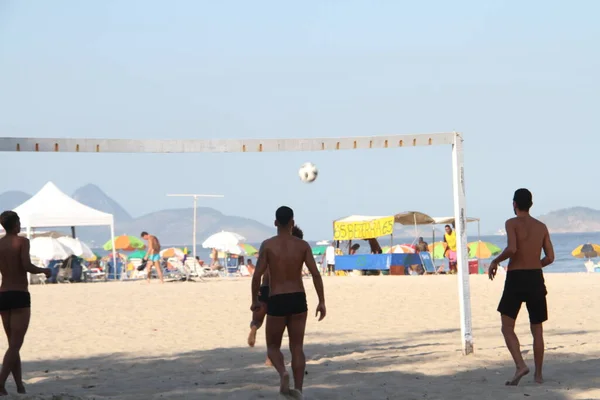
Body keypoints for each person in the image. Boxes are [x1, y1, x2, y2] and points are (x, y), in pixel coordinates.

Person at [251, 207, 325, 397]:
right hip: (298, 298)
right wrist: (321, 301)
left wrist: (255, 300)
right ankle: (298, 390)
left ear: (275, 223)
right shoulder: (302, 246)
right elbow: (316, 274)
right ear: (292, 223)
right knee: (297, 347)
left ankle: (283, 373)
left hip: (277, 298)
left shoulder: (267, 245)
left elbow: (257, 275)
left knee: (273, 346)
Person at [488, 189, 555, 386]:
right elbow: (550, 257)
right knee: (537, 329)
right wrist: (535, 266)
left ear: (514, 204)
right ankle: (539, 375)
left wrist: (495, 261)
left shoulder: (511, 223)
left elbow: (512, 248)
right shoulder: (541, 227)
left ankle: (520, 365)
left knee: (507, 326)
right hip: (535, 278)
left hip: (516, 278)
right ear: (530, 204)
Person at [0, 211, 51, 395]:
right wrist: (44, 270)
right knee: (15, 345)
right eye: (19, 222)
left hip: (3, 294)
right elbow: (26, 265)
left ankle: (19, 385)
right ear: (15, 225)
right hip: (20, 294)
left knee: (13, 345)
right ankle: (0, 382)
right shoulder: (22, 241)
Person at [247, 224, 304, 365]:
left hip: (265, 287)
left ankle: (254, 328)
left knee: (259, 320)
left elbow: (258, 273)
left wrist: (255, 297)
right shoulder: (295, 253)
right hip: (280, 292)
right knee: (277, 328)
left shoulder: (270, 247)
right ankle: (269, 358)